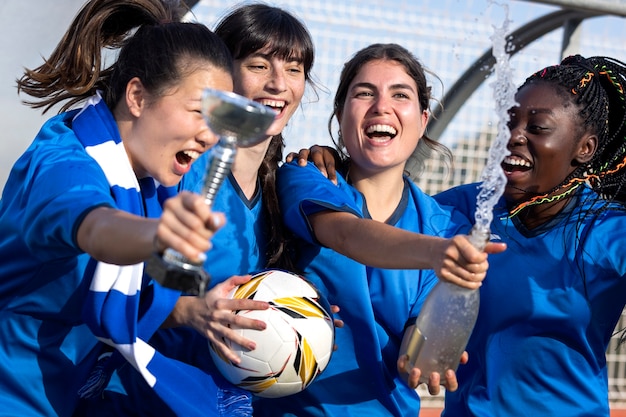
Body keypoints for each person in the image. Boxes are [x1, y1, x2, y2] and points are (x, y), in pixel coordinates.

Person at [0, 1, 271, 416]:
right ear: (138, 96)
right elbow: (95, 228)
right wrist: (156, 237)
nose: (209, 136)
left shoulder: (152, 176)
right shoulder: (65, 162)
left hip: (72, 400)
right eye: (200, 112)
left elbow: (122, 303)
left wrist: (195, 311)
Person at [78, 3, 325, 417]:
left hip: (209, 401)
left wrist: (297, 316)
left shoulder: (282, 187)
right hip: (131, 397)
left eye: (294, 69)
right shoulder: (177, 170)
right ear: (222, 78)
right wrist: (193, 312)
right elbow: (123, 292)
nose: (279, 83)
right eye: (260, 65)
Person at [254, 43, 506, 417]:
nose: (381, 106)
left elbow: (412, 350)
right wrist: (437, 252)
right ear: (340, 115)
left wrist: (428, 355)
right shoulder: (306, 176)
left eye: (399, 95)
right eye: (364, 93)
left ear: (422, 120)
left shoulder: (443, 226)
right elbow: (346, 234)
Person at [413, 55, 626, 417]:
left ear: (584, 149)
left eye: (538, 127)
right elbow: (376, 215)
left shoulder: (607, 229)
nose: (514, 136)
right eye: (509, 123)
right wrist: (336, 167)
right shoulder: (463, 209)